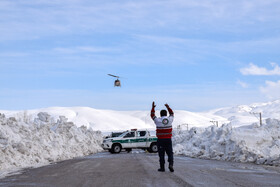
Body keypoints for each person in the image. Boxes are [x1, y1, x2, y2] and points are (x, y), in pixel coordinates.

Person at [150, 101, 174, 172]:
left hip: (160, 140)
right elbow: (172, 113)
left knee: (161, 154)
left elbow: (152, 115)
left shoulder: (158, 120)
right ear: (166, 114)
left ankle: (162, 167)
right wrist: (168, 107)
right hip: (168, 139)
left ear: (160, 115)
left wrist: (153, 108)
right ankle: (171, 164)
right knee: (170, 153)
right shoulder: (170, 120)